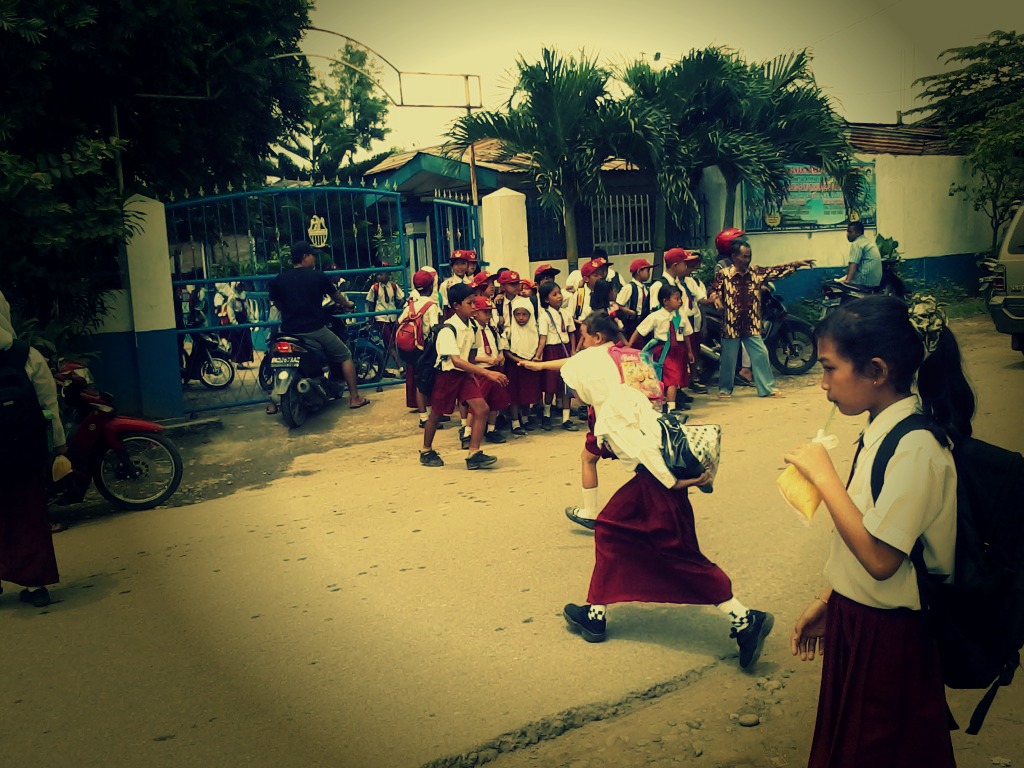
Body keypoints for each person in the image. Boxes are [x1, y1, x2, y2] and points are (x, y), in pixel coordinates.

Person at [529, 311, 775, 669]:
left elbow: (644, 451)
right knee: (611, 531)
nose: (574, 392)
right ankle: (595, 613)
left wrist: (676, 482)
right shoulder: (630, 392)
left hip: (656, 483)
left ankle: (743, 618)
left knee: (679, 556)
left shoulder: (610, 408)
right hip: (653, 481)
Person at [785, 295, 967, 767]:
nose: (823, 385)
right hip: (858, 621)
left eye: (829, 369)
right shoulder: (880, 432)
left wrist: (825, 480)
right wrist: (831, 599)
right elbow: (874, 531)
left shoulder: (917, 448)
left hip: (891, 638)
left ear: (877, 371)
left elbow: (883, 561)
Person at [520, 312, 624, 529]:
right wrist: (541, 366)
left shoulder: (589, 357)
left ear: (597, 338)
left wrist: (540, 366)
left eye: (585, 337)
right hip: (637, 415)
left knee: (588, 459)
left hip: (607, 419)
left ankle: (590, 511)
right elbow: (573, 360)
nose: (582, 343)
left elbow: (577, 392)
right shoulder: (624, 353)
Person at [1, 296, 65, 608]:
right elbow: (48, 407)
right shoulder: (27, 355)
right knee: (29, 516)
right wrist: (58, 446)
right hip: (23, 454)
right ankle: (35, 584)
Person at [268, 241, 368, 408]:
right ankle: (355, 397)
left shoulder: (280, 279)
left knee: (275, 359)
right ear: (305, 257)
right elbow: (336, 296)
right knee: (344, 355)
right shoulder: (318, 276)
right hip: (314, 329)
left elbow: (277, 303)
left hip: (288, 331)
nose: (314, 258)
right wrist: (347, 304)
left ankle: (272, 403)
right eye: (312, 255)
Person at [419, 283, 508, 469]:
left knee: (482, 409)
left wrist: (476, 372)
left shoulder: (472, 327)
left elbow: (470, 356)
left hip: (464, 375)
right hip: (447, 375)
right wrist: (486, 372)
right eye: (470, 303)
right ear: (456, 306)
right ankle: (426, 450)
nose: (474, 306)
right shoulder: (448, 329)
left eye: (474, 302)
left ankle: (474, 453)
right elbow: (456, 361)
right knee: (437, 414)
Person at [708, 240, 812, 399]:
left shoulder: (756, 272)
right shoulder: (723, 275)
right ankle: (725, 390)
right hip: (731, 323)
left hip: (751, 323)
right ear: (734, 256)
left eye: (749, 256)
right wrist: (716, 299)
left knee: (761, 354)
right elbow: (713, 290)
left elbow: (776, 271)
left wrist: (795, 264)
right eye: (744, 256)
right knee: (728, 359)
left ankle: (767, 389)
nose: (747, 260)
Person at [629, 284, 694, 412]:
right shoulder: (656, 316)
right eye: (676, 298)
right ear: (665, 301)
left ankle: (668, 406)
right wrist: (629, 345)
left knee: (675, 379)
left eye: (680, 298)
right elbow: (640, 330)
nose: (680, 301)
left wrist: (690, 351)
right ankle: (670, 407)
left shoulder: (681, 316)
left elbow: (686, 334)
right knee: (669, 379)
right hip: (663, 350)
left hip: (678, 350)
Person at [398, 270, 441, 427]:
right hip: (427, 350)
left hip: (412, 350)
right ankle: (432, 414)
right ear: (431, 286)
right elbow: (435, 328)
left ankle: (423, 416)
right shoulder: (431, 306)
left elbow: (400, 320)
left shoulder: (411, 304)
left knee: (419, 381)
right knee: (431, 381)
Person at [536, 282, 579, 432]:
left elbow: (571, 333)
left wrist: (573, 349)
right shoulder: (544, 317)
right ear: (546, 300)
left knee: (566, 384)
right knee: (550, 385)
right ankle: (546, 415)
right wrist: (538, 354)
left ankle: (566, 418)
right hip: (551, 351)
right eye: (554, 294)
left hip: (565, 349)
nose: (559, 296)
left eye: (559, 293)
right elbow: (543, 338)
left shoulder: (566, 314)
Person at [469, 296, 510, 444]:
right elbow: (469, 356)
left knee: (495, 402)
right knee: (477, 403)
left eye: (489, 312)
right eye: (484, 312)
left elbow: (499, 346)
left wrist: (499, 356)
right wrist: (487, 360)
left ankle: (491, 429)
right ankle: (468, 432)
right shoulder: (472, 329)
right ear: (475, 312)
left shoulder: (491, 328)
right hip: (480, 370)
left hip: (494, 369)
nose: (488, 315)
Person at [502, 297, 542, 435]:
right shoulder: (509, 331)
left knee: (527, 393)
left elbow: (538, 346)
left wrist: (533, 358)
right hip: (515, 366)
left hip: (530, 365)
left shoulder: (534, 330)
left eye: (524, 314)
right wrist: (518, 360)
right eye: (517, 314)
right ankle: (515, 422)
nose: (521, 318)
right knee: (515, 395)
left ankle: (525, 419)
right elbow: (505, 350)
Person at [365, 266, 406, 373]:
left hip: (392, 317)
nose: (379, 276)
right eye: (378, 274)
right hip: (381, 317)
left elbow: (402, 298)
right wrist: (371, 318)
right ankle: (400, 366)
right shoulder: (374, 288)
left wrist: (398, 308)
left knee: (389, 345)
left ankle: (382, 370)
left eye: (381, 274)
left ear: (388, 274)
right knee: (390, 343)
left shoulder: (393, 286)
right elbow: (370, 303)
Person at [615, 258, 654, 341]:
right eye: (647, 270)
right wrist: (630, 312)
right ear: (639, 272)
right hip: (633, 323)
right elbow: (618, 304)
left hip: (644, 320)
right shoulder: (629, 287)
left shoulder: (645, 288)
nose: (649, 273)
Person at [842, 220, 883, 289]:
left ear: (858, 233)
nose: (847, 235)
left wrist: (847, 282)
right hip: (874, 282)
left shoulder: (857, 244)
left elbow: (854, 264)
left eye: (850, 232)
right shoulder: (868, 242)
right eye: (847, 232)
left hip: (863, 282)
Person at [438, 250, 475, 314]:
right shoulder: (445, 285)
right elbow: (444, 308)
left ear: (467, 266)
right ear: (452, 266)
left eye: (463, 263)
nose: (460, 267)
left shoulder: (472, 283)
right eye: (456, 264)